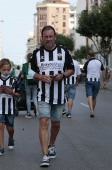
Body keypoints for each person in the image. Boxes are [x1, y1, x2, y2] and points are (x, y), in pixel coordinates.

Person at [30, 25, 74, 167]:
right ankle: (45, 155)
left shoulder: (64, 51)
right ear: (42, 38)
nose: (48, 39)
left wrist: (62, 75)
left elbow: (71, 69)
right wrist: (41, 77)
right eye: (46, 37)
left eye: (51, 36)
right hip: (43, 95)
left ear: (55, 37)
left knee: (55, 123)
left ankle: (52, 144)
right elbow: (31, 73)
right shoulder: (36, 54)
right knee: (44, 122)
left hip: (59, 95)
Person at [0, 58, 20, 156]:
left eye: (8, 70)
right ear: (0, 70)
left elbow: (18, 94)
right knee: (0, 126)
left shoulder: (13, 81)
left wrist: (12, 93)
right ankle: (1, 147)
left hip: (10, 108)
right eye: (4, 70)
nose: (6, 72)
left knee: (10, 128)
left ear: (10, 69)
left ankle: (11, 138)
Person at [82, 51, 106, 117]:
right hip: (97, 81)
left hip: (89, 81)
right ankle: (93, 110)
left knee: (90, 95)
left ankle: (91, 110)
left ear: (89, 56)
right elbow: (103, 71)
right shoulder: (99, 62)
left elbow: (83, 74)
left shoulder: (87, 63)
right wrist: (104, 81)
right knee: (94, 97)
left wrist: (84, 75)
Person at [21, 53, 38, 118]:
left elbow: (22, 76)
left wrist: (25, 75)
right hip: (34, 82)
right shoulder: (35, 64)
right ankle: (36, 109)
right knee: (34, 97)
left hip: (27, 83)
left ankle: (28, 113)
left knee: (28, 97)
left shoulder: (25, 65)